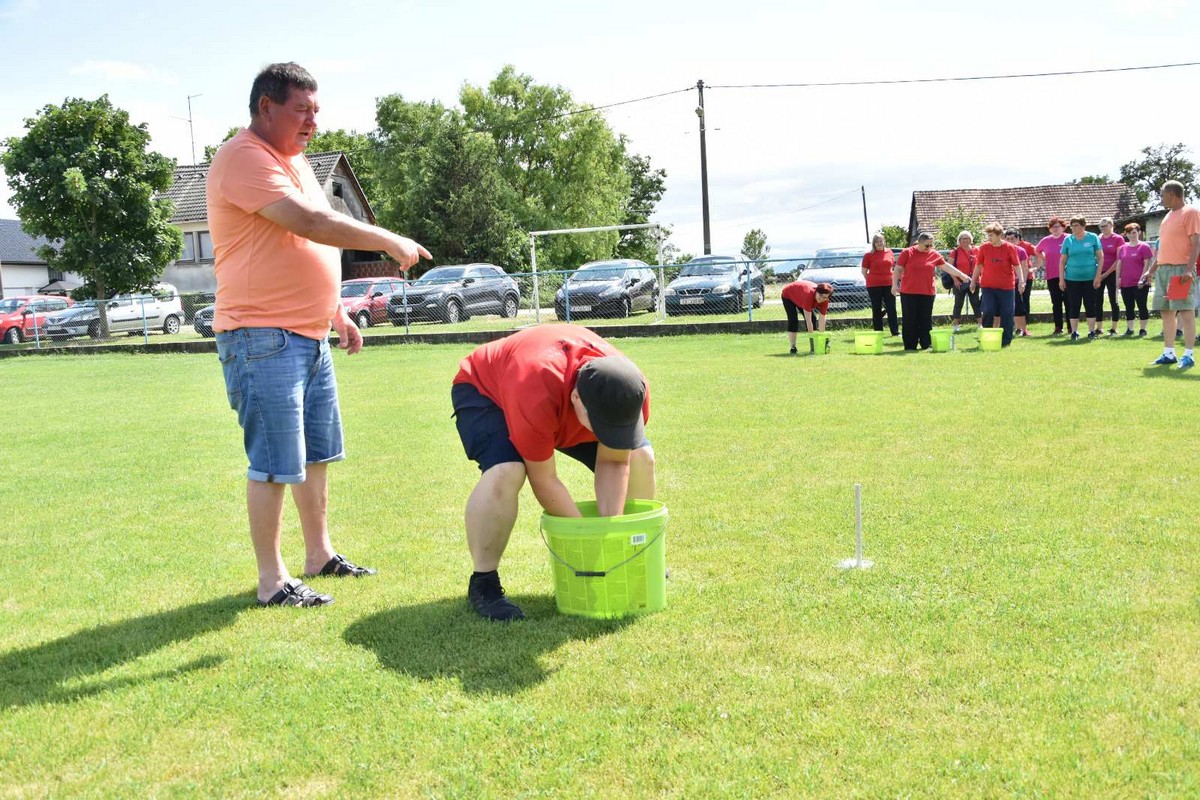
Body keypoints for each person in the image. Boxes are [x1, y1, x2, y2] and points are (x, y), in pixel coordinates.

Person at [208, 62, 431, 607]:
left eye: (316, 110)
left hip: (307, 336)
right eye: (300, 110)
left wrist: (335, 311)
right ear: (266, 107)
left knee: (315, 455)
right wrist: (386, 238)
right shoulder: (244, 157)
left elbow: (313, 245)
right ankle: (271, 581)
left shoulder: (297, 161)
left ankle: (319, 555)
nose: (312, 121)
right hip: (260, 337)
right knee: (274, 462)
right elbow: (308, 223)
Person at [451, 324, 655, 621]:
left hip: (554, 398)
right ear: (576, 401)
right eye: (602, 427)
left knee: (640, 457)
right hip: (486, 392)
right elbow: (544, 480)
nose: (607, 434)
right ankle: (484, 583)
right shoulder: (535, 391)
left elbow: (614, 461)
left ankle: (634, 556)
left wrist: (611, 540)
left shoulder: (627, 389)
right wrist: (584, 544)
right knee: (507, 470)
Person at [1144, 180, 1200, 370]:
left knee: (1185, 311)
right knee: (1166, 311)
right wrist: (1151, 271)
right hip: (1164, 270)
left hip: (1180, 268)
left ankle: (1189, 355)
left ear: (1173, 194)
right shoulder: (1168, 216)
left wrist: (1188, 269)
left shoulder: (1190, 212)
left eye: (1162, 193)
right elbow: (1163, 248)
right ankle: (1169, 353)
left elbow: (1196, 243)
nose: (1160, 197)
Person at [892, 231, 972, 351]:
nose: (929, 248)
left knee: (925, 319)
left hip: (927, 292)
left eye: (931, 245)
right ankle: (910, 345)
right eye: (927, 245)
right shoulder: (907, 253)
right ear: (919, 242)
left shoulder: (933, 254)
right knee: (910, 319)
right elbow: (898, 269)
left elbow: (945, 266)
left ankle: (926, 344)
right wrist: (894, 285)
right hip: (909, 292)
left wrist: (961, 275)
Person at [971, 222, 1025, 346]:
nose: (989, 238)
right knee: (988, 310)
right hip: (988, 286)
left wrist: (1021, 281)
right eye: (988, 235)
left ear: (1000, 235)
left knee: (1007, 313)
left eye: (991, 235)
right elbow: (978, 266)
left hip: (1006, 287)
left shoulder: (1009, 248)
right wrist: (973, 281)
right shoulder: (984, 248)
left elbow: (1017, 266)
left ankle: (1006, 341)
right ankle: (987, 338)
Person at [1059, 215, 1103, 340]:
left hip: (1090, 277)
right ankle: (1074, 332)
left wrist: (1098, 276)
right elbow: (1062, 261)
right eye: (1072, 226)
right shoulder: (1068, 240)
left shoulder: (1093, 238)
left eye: (1076, 225)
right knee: (1074, 305)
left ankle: (1091, 331)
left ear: (1083, 226)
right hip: (1072, 278)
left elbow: (1100, 258)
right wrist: (1062, 279)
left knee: (1090, 304)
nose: (1073, 228)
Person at [1116, 222, 1153, 337]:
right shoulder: (1122, 248)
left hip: (1140, 283)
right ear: (1126, 234)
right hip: (1126, 283)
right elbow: (1119, 264)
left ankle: (1143, 329)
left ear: (1139, 232)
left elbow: (1147, 264)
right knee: (1128, 306)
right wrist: (1118, 279)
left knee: (1142, 305)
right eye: (1129, 233)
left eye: (1134, 233)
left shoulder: (1144, 247)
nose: (1132, 235)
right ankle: (1130, 329)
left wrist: (1142, 279)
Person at [1035, 217, 1069, 334]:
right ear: (1049, 229)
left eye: (1058, 226)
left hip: (1068, 275)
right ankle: (1058, 327)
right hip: (1052, 275)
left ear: (1063, 227)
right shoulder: (1046, 240)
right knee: (1056, 302)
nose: (1055, 229)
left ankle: (1071, 327)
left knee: (1069, 301)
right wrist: (1044, 258)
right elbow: (1036, 251)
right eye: (1053, 227)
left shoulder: (1069, 239)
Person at [781, 279, 835, 353]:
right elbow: (808, 321)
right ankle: (793, 347)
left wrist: (821, 338)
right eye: (820, 295)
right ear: (816, 291)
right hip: (789, 295)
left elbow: (822, 319)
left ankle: (815, 343)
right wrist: (812, 345)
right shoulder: (808, 296)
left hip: (800, 296)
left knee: (813, 318)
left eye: (825, 297)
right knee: (793, 320)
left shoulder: (825, 301)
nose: (821, 299)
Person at [861, 234, 898, 336]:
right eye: (877, 241)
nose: (879, 243)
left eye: (881, 241)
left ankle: (895, 331)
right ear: (874, 243)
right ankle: (878, 332)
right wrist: (869, 280)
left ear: (884, 241)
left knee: (891, 308)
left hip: (889, 284)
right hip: (874, 286)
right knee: (876, 308)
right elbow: (864, 271)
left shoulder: (889, 252)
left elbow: (893, 267)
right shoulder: (868, 255)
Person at [946, 231, 980, 333]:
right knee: (958, 303)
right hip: (959, 281)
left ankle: (980, 324)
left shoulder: (977, 250)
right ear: (959, 241)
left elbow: (981, 265)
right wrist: (955, 280)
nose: (965, 241)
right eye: (963, 239)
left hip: (974, 280)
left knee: (975, 302)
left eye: (967, 238)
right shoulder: (955, 252)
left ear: (971, 239)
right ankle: (956, 324)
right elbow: (949, 267)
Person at [1095, 217, 1123, 335]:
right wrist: (1098, 274)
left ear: (1112, 226)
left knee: (1113, 300)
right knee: (1097, 300)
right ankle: (1099, 327)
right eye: (1101, 226)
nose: (1103, 228)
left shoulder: (1118, 239)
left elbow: (1119, 259)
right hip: (1098, 273)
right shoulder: (1097, 238)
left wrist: (1106, 274)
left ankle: (1114, 327)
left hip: (1112, 273)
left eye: (1105, 226)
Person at [1004, 228, 1034, 336]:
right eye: (1008, 239)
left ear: (1018, 239)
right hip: (1005, 282)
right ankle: (1011, 328)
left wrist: (1023, 283)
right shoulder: (1002, 250)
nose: (1010, 241)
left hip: (1017, 282)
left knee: (1019, 306)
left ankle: (1023, 329)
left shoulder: (1021, 251)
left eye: (1013, 238)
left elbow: (1024, 268)